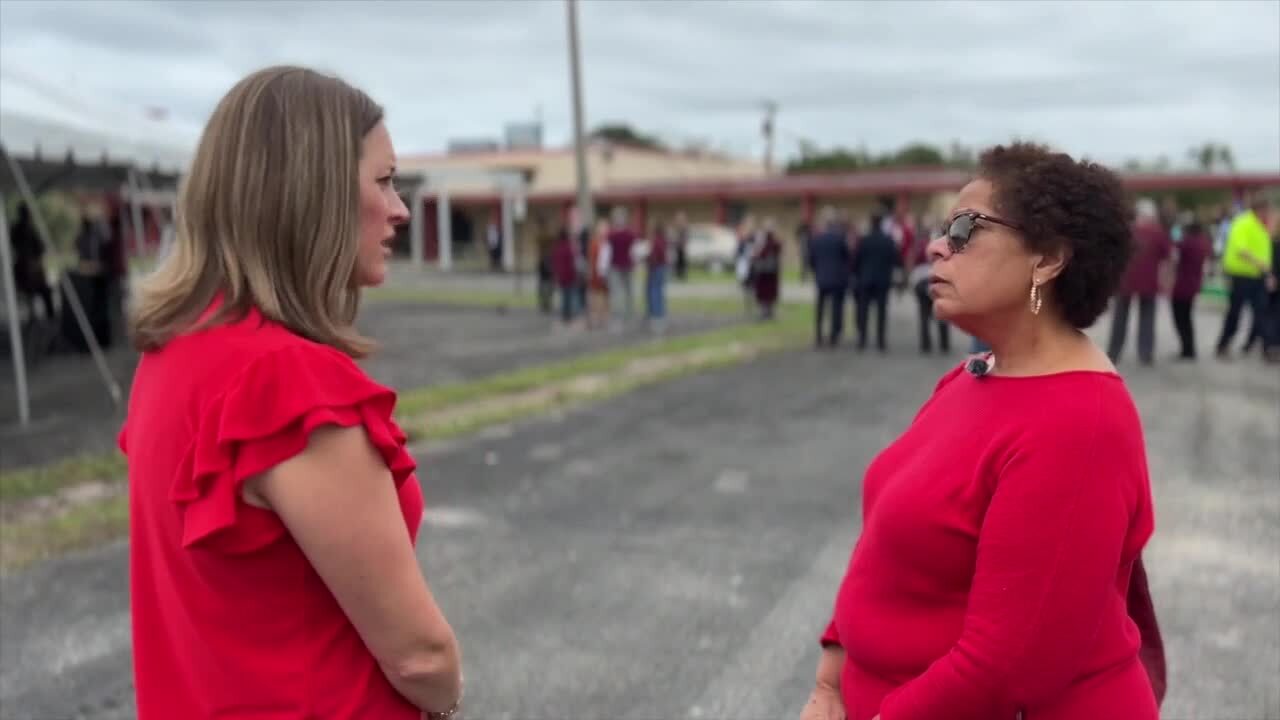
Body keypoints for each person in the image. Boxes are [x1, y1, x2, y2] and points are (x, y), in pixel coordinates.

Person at [118, 66, 462, 720]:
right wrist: (448, 703)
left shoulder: (171, 351)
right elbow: (420, 655)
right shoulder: (288, 381)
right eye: (383, 181)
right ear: (313, 193)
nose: (400, 209)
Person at [801, 143, 1165, 720]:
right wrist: (830, 679)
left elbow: (1007, 668)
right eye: (943, 229)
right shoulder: (971, 375)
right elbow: (884, 547)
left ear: (1047, 259)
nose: (936, 246)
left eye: (966, 228)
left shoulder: (1080, 424)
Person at [1107, 198, 1172, 366]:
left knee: (1120, 318)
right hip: (1149, 282)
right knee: (1147, 318)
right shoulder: (1158, 234)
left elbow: (1114, 255)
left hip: (1125, 281)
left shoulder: (1126, 232)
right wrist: (1167, 280)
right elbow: (1168, 257)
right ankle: (1145, 353)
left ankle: (1114, 352)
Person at [1215, 196, 1275, 360]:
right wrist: (1260, 263)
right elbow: (1241, 249)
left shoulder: (1260, 225)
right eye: (1266, 210)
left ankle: (1268, 347)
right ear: (1259, 209)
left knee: (1262, 311)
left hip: (1257, 276)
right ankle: (1223, 344)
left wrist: (1267, 271)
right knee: (1235, 311)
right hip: (1241, 275)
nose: (1268, 213)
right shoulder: (1243, 223)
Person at [850, 212, 900, 352]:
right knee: (881, 311)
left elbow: (856, 260)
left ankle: (862, 339)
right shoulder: (888, 240)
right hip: (882, 280)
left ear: (871, 222)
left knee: (863, 310)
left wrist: (857, 274)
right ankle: (880, 341)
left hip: (865, 279)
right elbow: (895, 260)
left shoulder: (864, 240)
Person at [808, 206, 851, 348]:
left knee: (820, 307)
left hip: (821, 277)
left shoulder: (816, 239)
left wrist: (817, 271)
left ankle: (818, 335)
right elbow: (846, 257)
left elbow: (811, 259)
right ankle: (833, 336)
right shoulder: (840, 238)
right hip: (837, 278)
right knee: (836, 308)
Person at [1169, 219, 1212, 360]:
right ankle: (1189, 348)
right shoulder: (1203, 243)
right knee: (1187, 317)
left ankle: (1187, 349)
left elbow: (1174, 256)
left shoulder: (1186, 243)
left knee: (1180, 318)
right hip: (1194, 284)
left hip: (1182, 285)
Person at [752, 217, 782, 320]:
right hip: (764, 269)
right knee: (765, 291)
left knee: (769, 291)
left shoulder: (774, 240)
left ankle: (768, 311)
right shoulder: (762, 239)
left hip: (770, 269)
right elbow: (758, 252)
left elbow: (777, 250)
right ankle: (765, 311)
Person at [646, 220, 670, 333]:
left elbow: (654, 255)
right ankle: (660, 316)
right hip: (661, 267)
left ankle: (656, 317)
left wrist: (649, 259)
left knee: (655, 293)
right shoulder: (663, 240)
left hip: (656, 268)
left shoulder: (656, 241)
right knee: (659, 292)